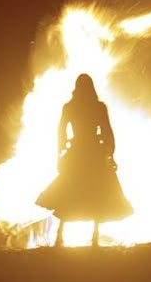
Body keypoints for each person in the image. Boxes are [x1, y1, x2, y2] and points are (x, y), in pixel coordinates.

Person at [36, 74, 134, 246]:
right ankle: (93, 237)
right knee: (97, 193)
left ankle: (60, 235)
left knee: (70, 192)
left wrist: (61, 153)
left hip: (77, 153)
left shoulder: (70, 107)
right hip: (93, 153)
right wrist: (109, 153)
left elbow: (61, 132)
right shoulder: (98, 107)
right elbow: (107, 132)